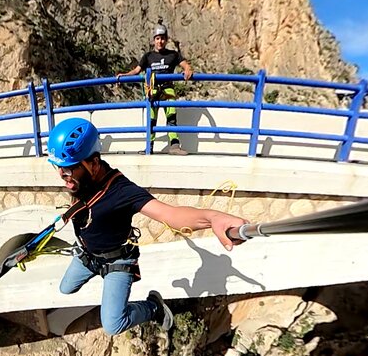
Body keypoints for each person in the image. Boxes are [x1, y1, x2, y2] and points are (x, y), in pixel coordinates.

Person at [48, 118, 248, 335]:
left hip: (117, 260)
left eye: (68, 170)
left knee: (113, 325)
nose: (62, 176)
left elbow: (170, 214)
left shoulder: (123, 192)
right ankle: (99, 273)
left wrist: (212, 218)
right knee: (65, 288)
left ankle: (154, 307)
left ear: (93, 163)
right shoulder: (84, 180)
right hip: (89, 255)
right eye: (57, 168)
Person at [116, 20, 194, 155]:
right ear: (154, 40)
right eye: (158, 39)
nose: (160, 41)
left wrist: (188, 69)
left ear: (166, 40)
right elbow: (137, 70)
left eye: (163, 39)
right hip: (153, 90)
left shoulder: (173, 54)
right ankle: (149, 146)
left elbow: (185, 64)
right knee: (151, 119)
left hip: (168, 89)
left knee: (171, 117)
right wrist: (124, 75)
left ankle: (174, 146)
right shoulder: (148, 56)